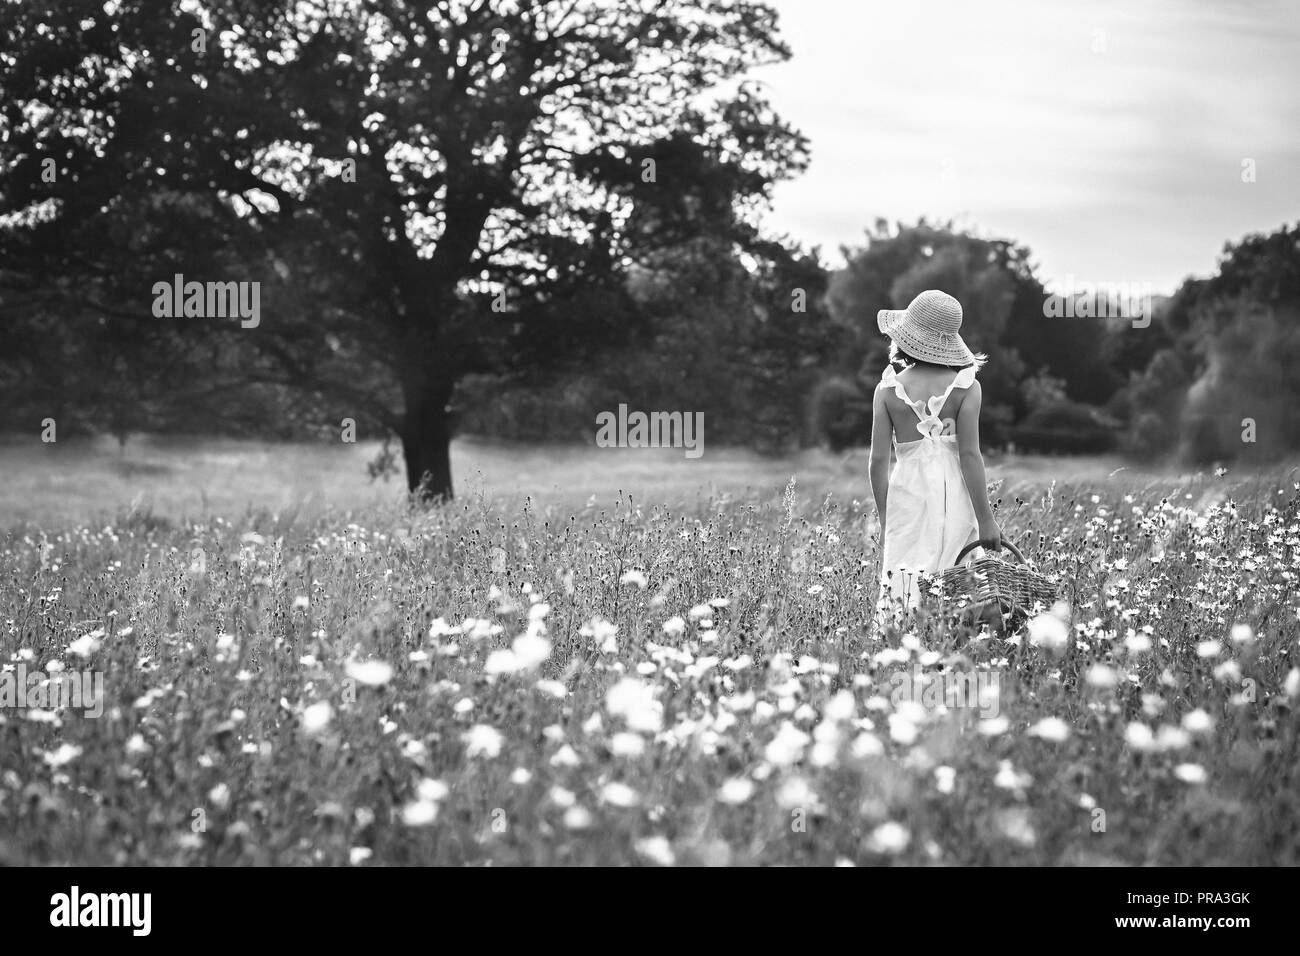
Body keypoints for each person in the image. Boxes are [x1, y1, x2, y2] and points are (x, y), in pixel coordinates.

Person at [869, 289, 1002, 629]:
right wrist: (986, 520)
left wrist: (887, 519)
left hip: (906, 494)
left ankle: (902, 638)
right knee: (957, 567)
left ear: (906, 338)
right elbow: (970, 456)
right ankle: (957, 632)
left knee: (904, 571)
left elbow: (877, 462)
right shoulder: (967, 387)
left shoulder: (887, 390)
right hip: (954, 493)